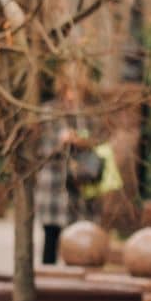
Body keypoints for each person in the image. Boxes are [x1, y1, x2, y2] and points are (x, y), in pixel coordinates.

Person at [34, 74, 96, 264]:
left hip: (78, 182)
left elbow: (97, 141)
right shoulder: (49, 111)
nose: (73, 96)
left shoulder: (87, 114)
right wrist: (61, 141)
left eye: (78, 91)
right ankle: (48, 276)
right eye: (70, 90)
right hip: (53, 182)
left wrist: (81, 140)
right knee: (51, 235)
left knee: (77, 237)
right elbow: (42, 148)